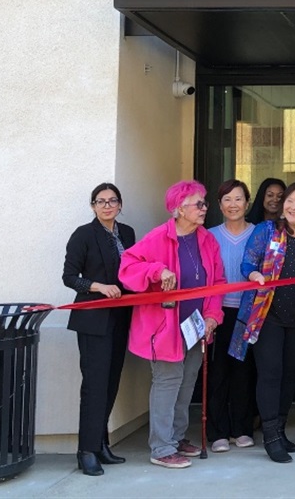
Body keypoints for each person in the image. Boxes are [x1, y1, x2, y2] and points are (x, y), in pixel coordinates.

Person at [119, 180, 224, 469]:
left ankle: (176, 438)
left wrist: (213, 315)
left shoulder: (207, 240)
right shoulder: (158, 237)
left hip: (196, 327)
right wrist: (157, 270)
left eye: (204, 203)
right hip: (164, 328)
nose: (204, 208)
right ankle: (161, 448)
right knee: (167, 383)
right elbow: (127, 267)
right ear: (178, 209)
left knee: (187, 382)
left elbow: (217, 282)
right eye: (198, 204)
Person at [236, 182, 295, 463]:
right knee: (270, 374)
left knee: (289, 375)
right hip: (267, 316)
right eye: (290, 201)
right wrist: (254, 276)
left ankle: (281, 430)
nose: (293, 207)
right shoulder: (267, 230)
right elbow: (247, 264)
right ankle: (270, 436)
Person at [62, 183, 136, 476]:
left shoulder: (127, 233)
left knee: (111, 383)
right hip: (93, 321)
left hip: (121, 317)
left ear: (120, 205)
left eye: (112, 200)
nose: (107, 206)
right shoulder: (83, 234)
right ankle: (86, 451)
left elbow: (133, 270)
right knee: (94, 385)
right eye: (100, 201)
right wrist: (98, 287)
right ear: (93, 206)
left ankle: (101, 443)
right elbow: (69, 277)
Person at [207, 180, 258, 454]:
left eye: (238, 199)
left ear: (247, 203)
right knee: (218, 372)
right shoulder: (208, 235)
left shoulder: (259, 234)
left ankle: (242, 428)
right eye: (227, 199)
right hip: (218, 312)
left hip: (249, 312)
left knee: (244, 372)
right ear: (219, 205)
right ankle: (218, 432)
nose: (233, 204)